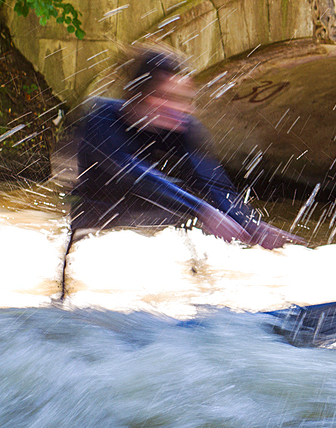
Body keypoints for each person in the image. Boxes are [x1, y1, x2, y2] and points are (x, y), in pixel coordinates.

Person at [63, 46, 300, 297]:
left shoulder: (183, 128)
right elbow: (133, 174)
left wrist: (252, 226)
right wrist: (201, 209)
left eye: (186, 99)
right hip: (100, 205)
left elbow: (212, 183)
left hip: (159, 208)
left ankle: (201, 296)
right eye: (171, 97)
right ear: (140, 95)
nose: (184, 110)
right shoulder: (100, 119)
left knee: (194, 207)